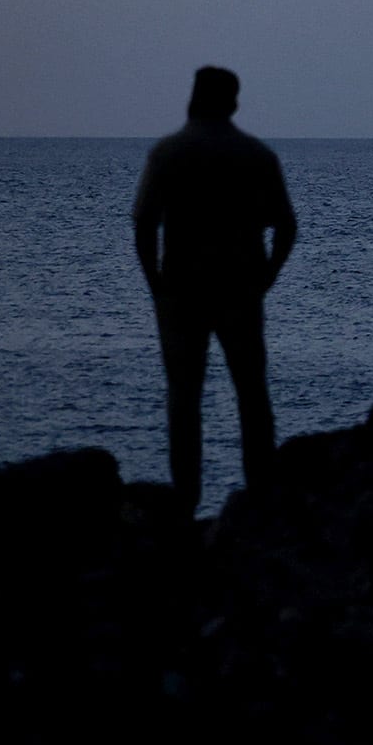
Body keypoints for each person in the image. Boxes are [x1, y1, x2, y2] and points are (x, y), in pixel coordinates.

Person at [133, 66, 297, 512]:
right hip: (241, 290)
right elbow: (286, 226)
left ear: (193, 98)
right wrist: (266, 279)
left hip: (181, 290)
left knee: (184, 399)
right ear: (234, 102)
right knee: (252, 394)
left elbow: (144, 221)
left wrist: (156, 286)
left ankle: (185, 503)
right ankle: (261, 498)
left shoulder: (168, 154)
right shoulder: (257, 156)